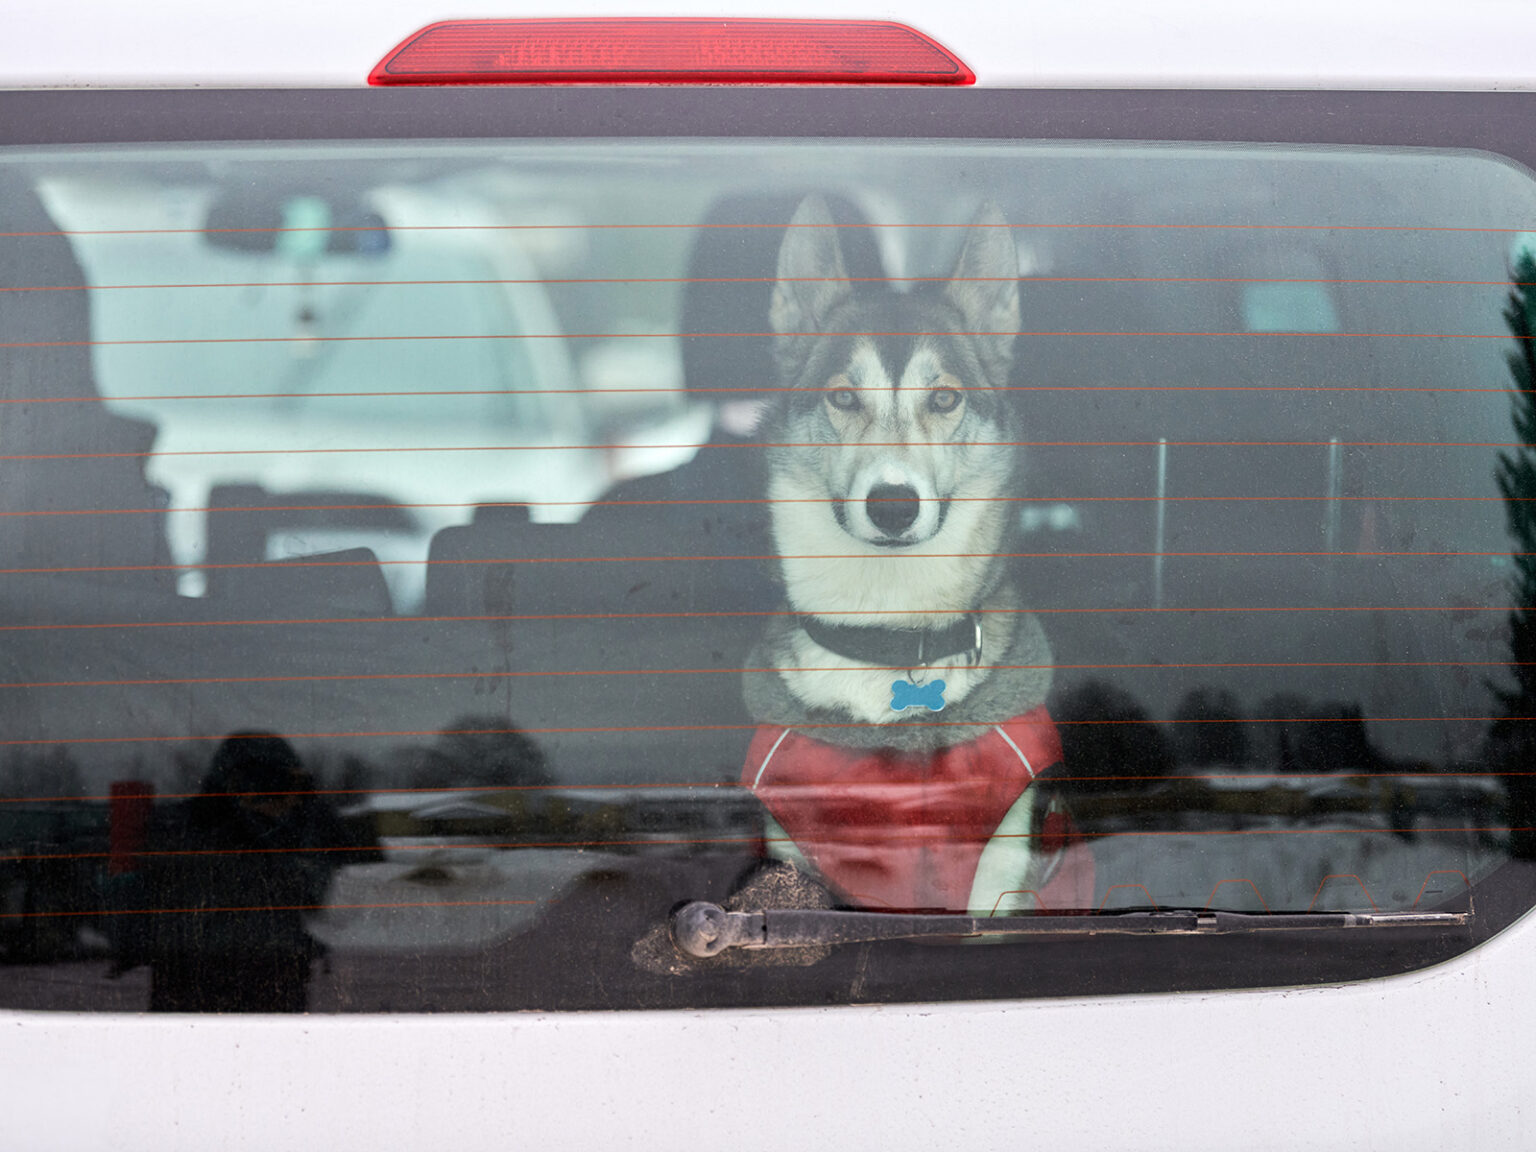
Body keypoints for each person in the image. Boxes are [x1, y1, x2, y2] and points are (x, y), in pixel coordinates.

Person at [136, 733, 342, 1012]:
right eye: (277, 785)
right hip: (226, 1000)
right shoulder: (199, 834)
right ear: (238, 784)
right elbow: (303, 893)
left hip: (229, 1001)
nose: (289, 799)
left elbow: (309, 896)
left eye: (295, 787)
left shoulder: (178, 827)